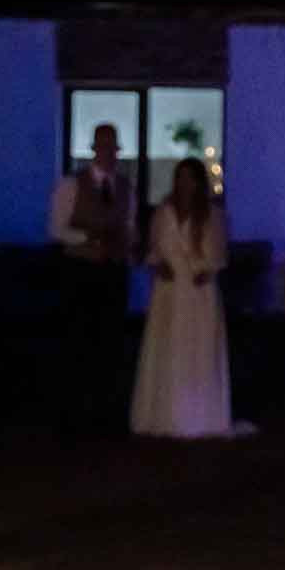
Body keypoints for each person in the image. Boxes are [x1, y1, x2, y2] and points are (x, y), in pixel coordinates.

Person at [129, 160, 241, 439]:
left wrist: (207, 269)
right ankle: (164, 414)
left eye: (191, 179)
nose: (185, 184)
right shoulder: (163, 213)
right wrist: (158, 264)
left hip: (197, 291)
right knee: (166, 347)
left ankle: (199, 416)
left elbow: (218, 254)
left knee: (197, 348)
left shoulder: (212, 215)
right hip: (168, 291)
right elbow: (153, 248)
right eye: (181, 178)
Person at [48, 121, 136, 435]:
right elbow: (57, 229)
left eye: (113, 147)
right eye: (104, 146)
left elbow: (129, 226)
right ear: (94, 148)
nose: (109, 153)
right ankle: (75, 415)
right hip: (80, 273)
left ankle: (105, 413)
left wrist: (125, 246)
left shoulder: (125, 187)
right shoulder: (71, 185)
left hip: (113, 273)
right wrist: (90, 240)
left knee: (110, 344)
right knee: (79, 342)